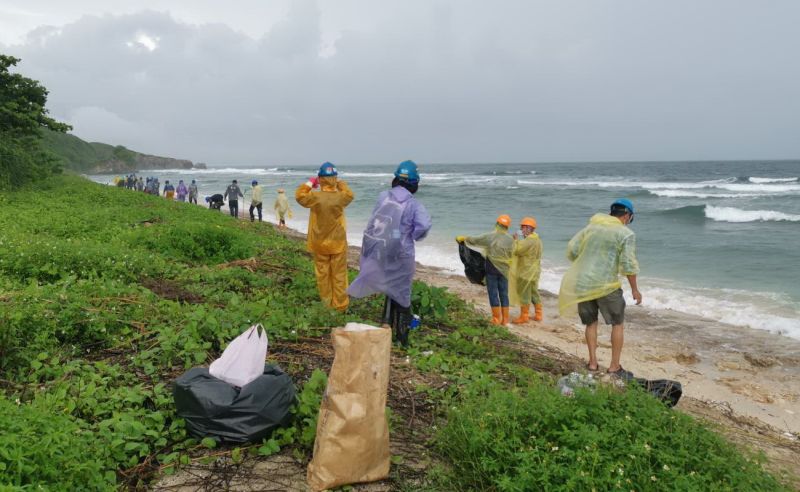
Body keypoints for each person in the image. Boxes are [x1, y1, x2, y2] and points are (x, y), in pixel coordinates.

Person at [348, 160, 432, 347]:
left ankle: (386, 324)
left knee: (388, 287)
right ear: (414, 183)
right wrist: (414, 235)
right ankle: (401, 339)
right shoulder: (413, 205)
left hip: (382, 250)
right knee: (402, 293)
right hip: (402, 254)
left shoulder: (382, 196)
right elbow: (424, 226)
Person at [558, 198, 641, 377]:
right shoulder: (625, 234)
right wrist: (635, 289)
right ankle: (614, 366)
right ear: (627, 215)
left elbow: (572, 250)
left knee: (590, 323)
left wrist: (587, 265)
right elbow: (628, 264)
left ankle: (593, 363)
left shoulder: (590, 228)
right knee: (617, 324)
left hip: (584, 283)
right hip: (606, 286)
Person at [295, 162, 354, 311]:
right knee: (339, 275)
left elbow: (300, 196)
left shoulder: (315, 196)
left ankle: (327, 305)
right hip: (337, 242)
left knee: (323, 274)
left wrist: (310, 182)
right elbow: (350, 194)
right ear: (334, 178)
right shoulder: (341, 197)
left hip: (319, 242)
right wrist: (340, 184)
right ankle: (340, 306)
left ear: (320, 179)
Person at [457, 215, 514, 326]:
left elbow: (476, 240)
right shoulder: (511, 239)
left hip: (492, 270)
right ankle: (505, 320)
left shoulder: (491, 236)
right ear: (507, 227)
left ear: (497, 224)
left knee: (493, 293)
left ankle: (496, 319)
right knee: (504, 294)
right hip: (505, 272)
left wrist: (464, 238)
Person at [510, 217, 543, 324]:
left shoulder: (529, 240)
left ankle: (524, 316)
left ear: (529, 228)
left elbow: (517, 251)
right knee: (534, 293)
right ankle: (539, 314)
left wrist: (515, 241)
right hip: (535, 271)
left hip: (526, 271)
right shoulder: (537, 239)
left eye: (523, 227)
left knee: (524, 293)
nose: (521, 229)